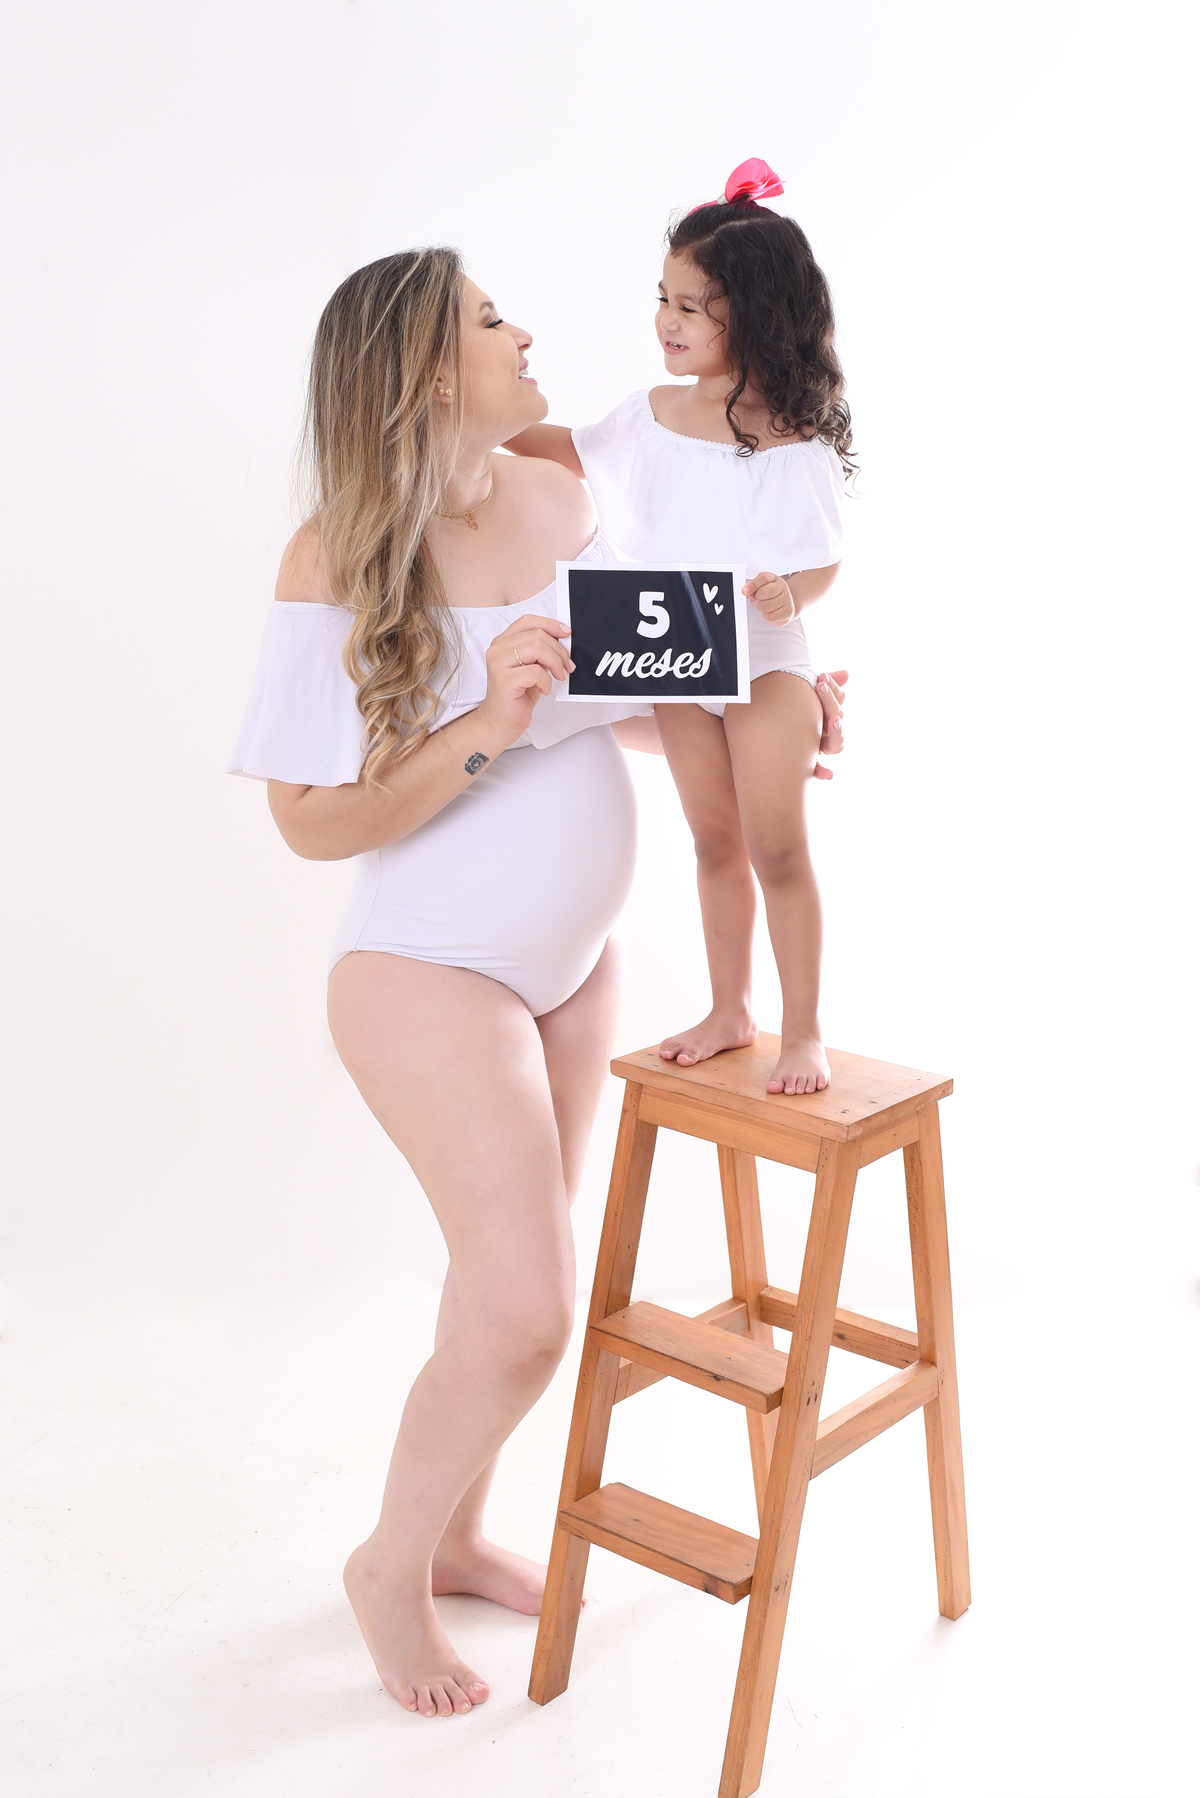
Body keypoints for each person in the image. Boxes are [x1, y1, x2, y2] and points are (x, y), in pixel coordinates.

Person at [229, 248, 846, 1721]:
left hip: (573, 970)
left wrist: (778, 708)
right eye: (491, 319)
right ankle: (385, 1564)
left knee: (496, 1279)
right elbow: (308, 820)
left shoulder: (569, 500)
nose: (524, 332)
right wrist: (482, 725)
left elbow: (635, 698)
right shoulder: (332, 558)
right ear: (427, 371)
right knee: (526, 1311)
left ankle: (454, 1533)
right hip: (425, 968)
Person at [507, 158, 851, 1095]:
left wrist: (791, 596)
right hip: (679, 655)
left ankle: (805, 1030)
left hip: (765, 659)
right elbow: (570, 451)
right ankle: (730, 1006)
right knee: (713, 842)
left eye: (692, 306)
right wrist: (482, 418)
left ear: (757, 314)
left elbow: (824, 559)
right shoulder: (650, 416)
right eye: (664, 298)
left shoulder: (793, 438)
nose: (668, 319)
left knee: (779, 845)